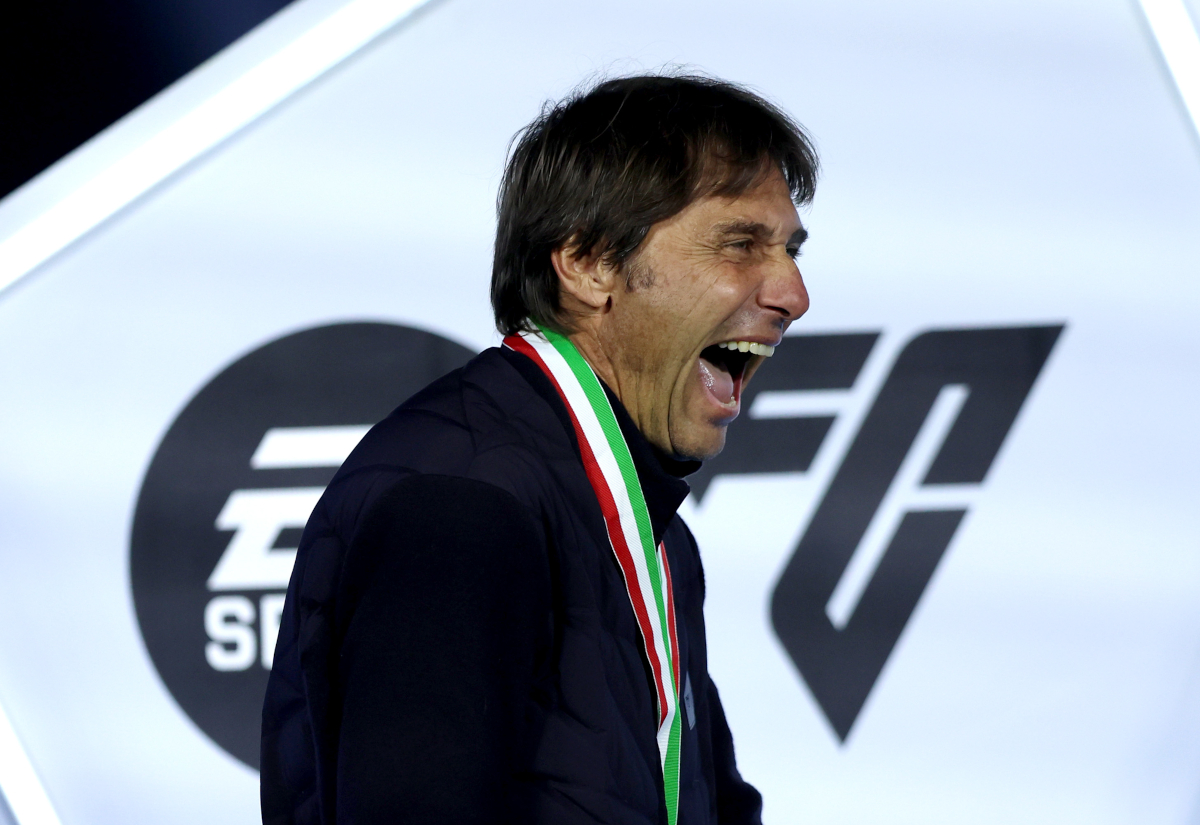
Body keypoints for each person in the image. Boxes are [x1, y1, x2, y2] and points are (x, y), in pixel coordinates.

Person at [260, 73, 818, 825]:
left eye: (789, 248)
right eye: (740, 243)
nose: (792, 292)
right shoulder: (461, 499)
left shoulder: (651, 533)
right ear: (587, 261)